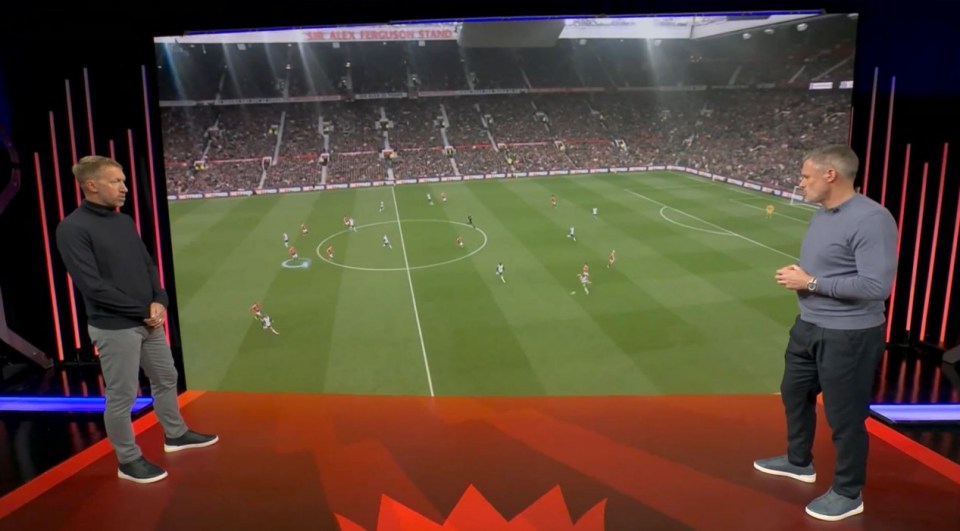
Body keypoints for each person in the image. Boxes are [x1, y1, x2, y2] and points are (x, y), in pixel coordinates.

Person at [753, 145, 897, 522]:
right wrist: (804, 279)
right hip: (809, 325)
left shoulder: (872, 219)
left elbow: (875, 286)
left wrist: (812, 281)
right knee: (793, 392)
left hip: (849, 334)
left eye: (806, 176)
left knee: (844, 415)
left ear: (830, 175)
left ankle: (849, 493)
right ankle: (799, 461)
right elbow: (831, 269)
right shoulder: (821, 215)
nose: (800, 183)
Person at [56, 156, 218, 485]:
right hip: (114, 327)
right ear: (91, 185)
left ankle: (175, 435)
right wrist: (141, 310)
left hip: (148, 320)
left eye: (124, 181)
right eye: (116, 181)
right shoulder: (71, 228)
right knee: (122, 395)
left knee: (166, 377)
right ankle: (128, 461)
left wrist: (159, 300)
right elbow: (92, 285)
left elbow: (147, 264)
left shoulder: (123, 221)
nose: (125, 188)